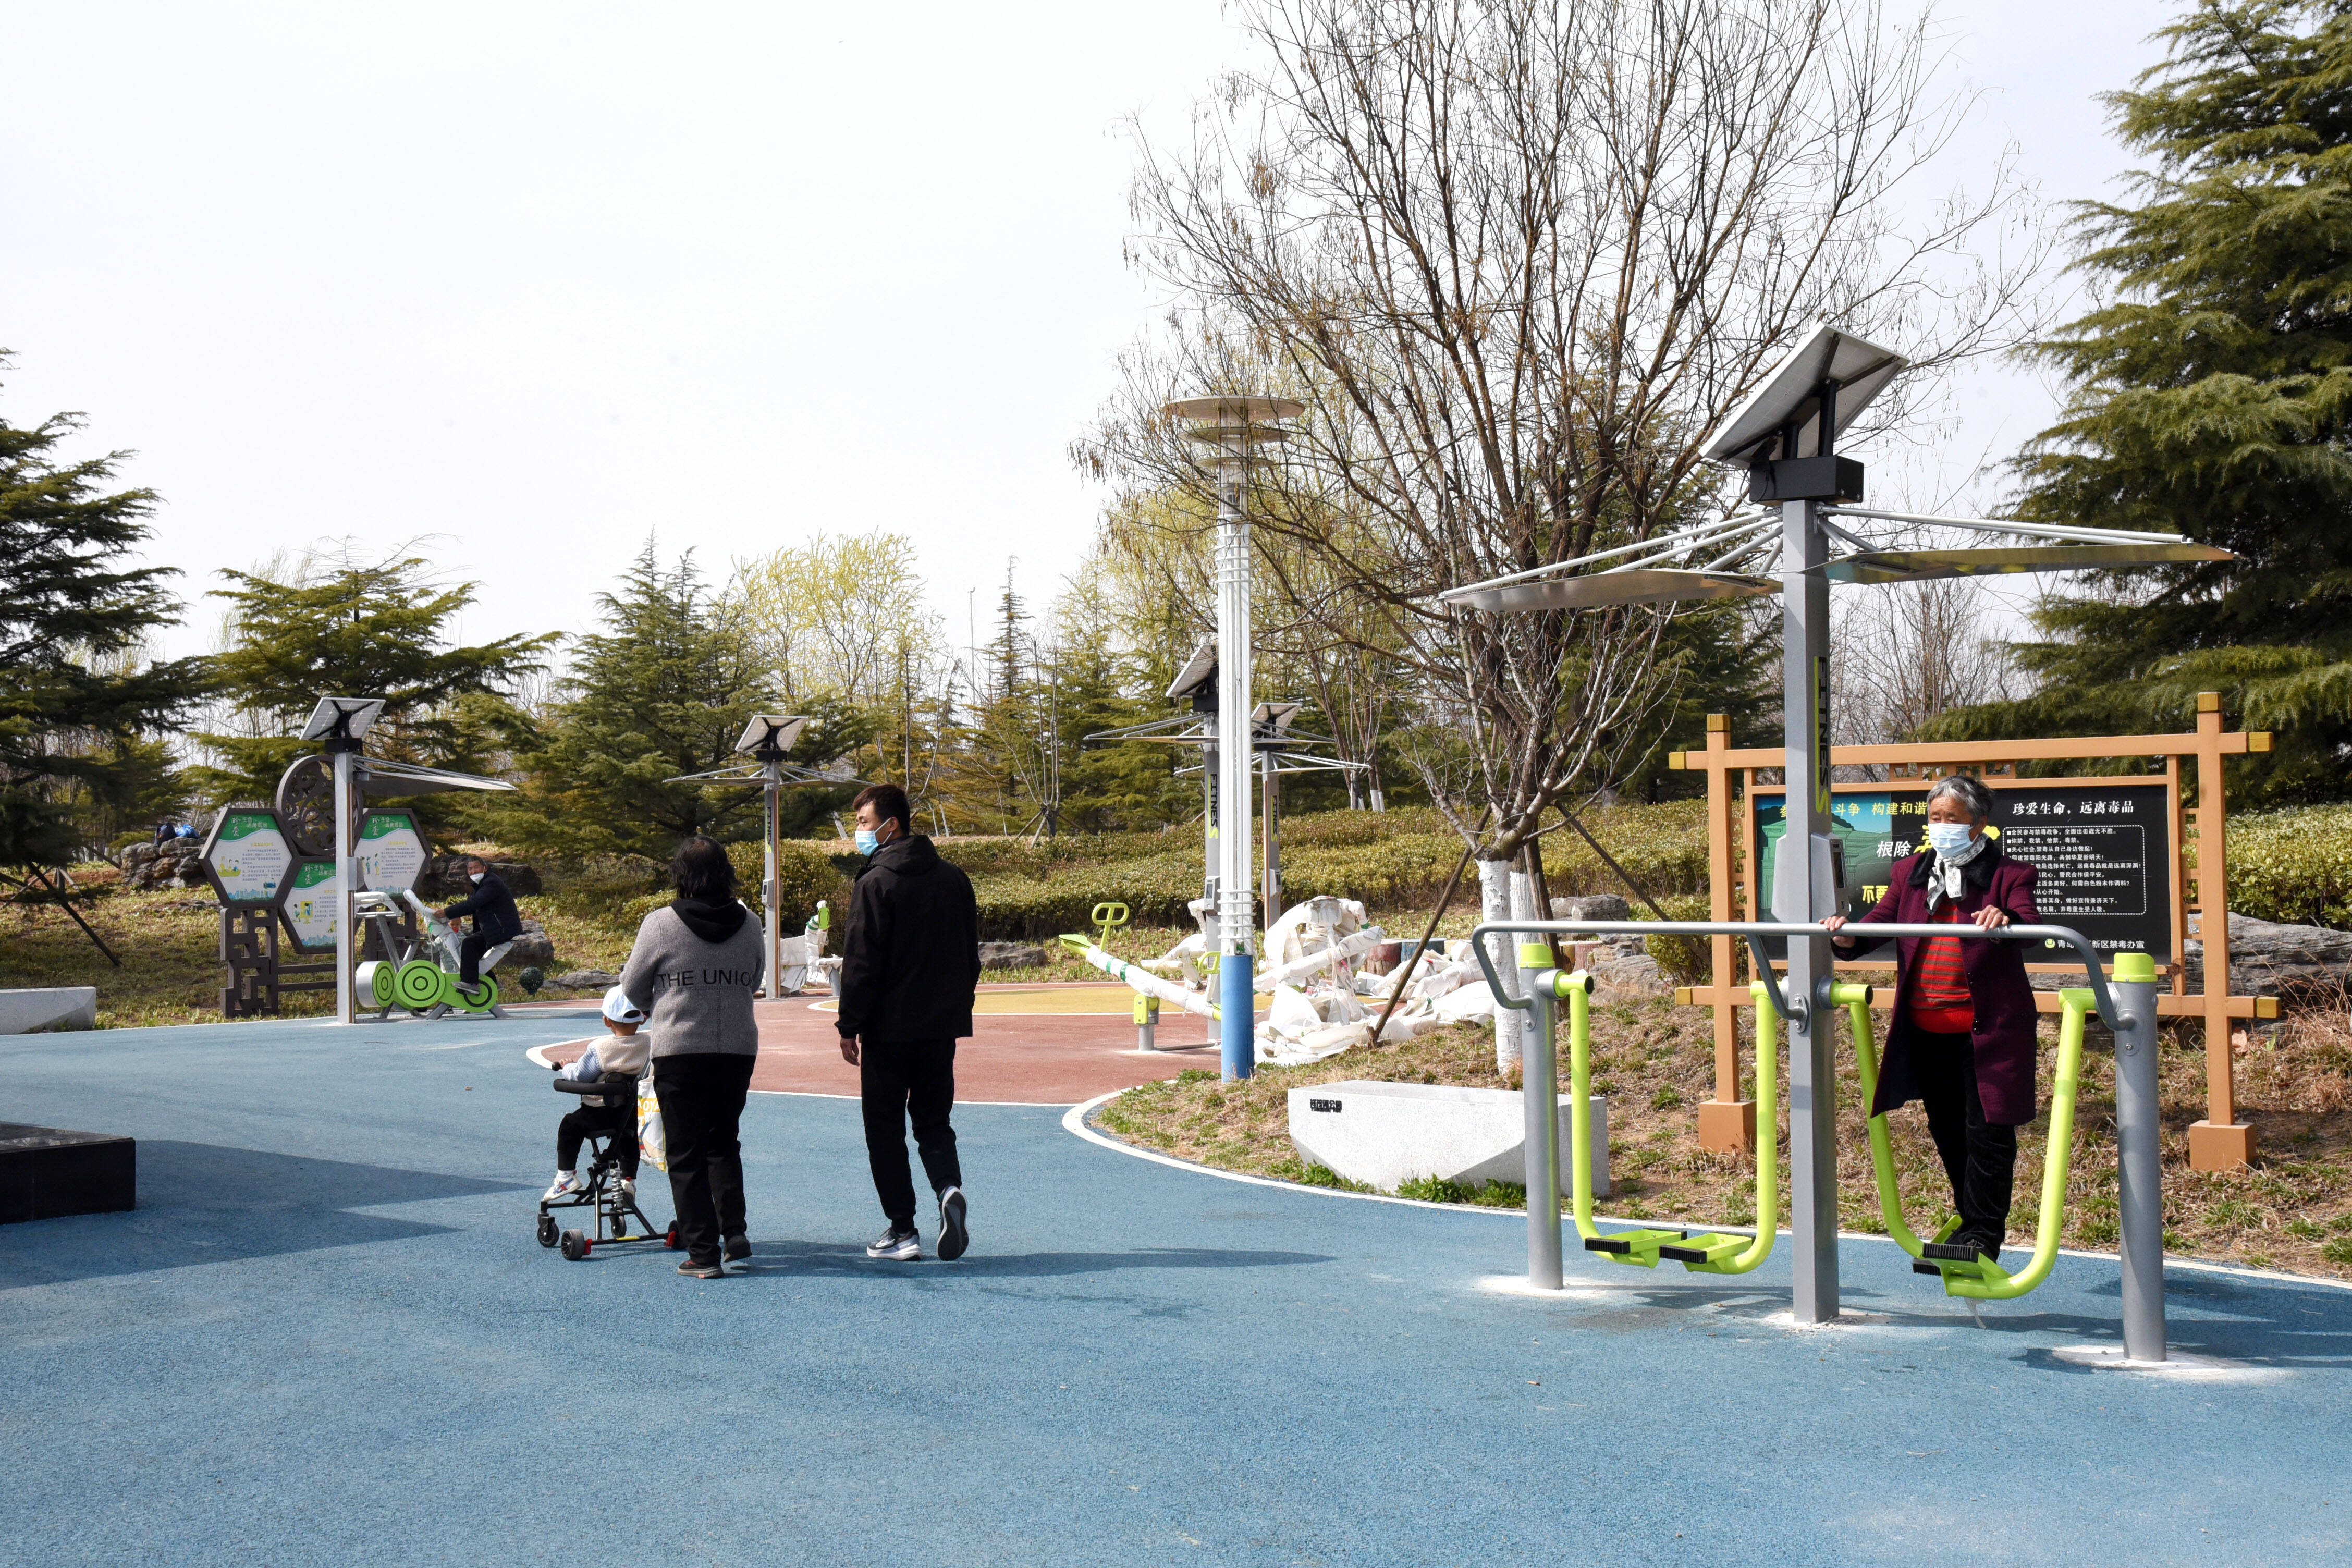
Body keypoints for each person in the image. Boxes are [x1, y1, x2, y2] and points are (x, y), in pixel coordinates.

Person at [1824, 774, 2040, 1265]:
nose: (1941, 826)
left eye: (1952, 818)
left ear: (1978, 824)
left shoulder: (2009, 875)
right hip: (1926, 1031)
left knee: (1988, 1133)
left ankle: (1984, 1233)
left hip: (1986, 1033)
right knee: (1946, 1127)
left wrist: (2005, 919)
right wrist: (1845, 936)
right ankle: (1969, 1220)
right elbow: (1879, 925)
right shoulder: (1911, 872)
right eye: (1935, 817)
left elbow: (2029, 925)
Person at [836, 782, 981, 1263]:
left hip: (888, 1029)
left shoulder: (875, 882)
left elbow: (861, 962)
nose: (859, 831)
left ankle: (902, 1229)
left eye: (863, 822)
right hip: (940, 1028)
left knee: (885, 1128)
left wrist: (848, 1024)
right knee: (934, 1121)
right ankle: (948, 1188)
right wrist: (955, 1008)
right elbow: (970, 956)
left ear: (890, 825)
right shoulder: (955, 879)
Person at [619, 836, 765, 1280]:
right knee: (724, 1141)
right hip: (737, 1047)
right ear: (725, 872)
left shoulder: (660, 923)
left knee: (685, 1152)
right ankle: (733, 1232)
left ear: (681, 875)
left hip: (680, 1046)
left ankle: (703, 1252)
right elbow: (754, 978)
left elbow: (632, 986)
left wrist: (661, 1003)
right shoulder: (751, 923)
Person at [545, 986, 649, 1202]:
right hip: (633, 1114)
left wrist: (567, 1067)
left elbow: (580, 1075)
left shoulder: (601, 1049)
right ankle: (628, 1180)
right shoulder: (648, 1045)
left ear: (607, 1021)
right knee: (627, 1135)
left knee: (570, 1126)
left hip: (599, 1113)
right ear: (641, 1020)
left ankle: (565, 1176)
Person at [439, 854, 523, 996]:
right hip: (497, 929)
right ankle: (492, 982)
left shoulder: (491, 883)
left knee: (469, 944)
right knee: (474, 955)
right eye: (470, 869)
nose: (473, 871)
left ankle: (471, 984)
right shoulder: (481, 885)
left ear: (485, 868)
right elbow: (473, 905)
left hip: (502, 930)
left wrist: (446, 912)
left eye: (476, 868)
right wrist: (456, 915)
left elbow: (474, 903)